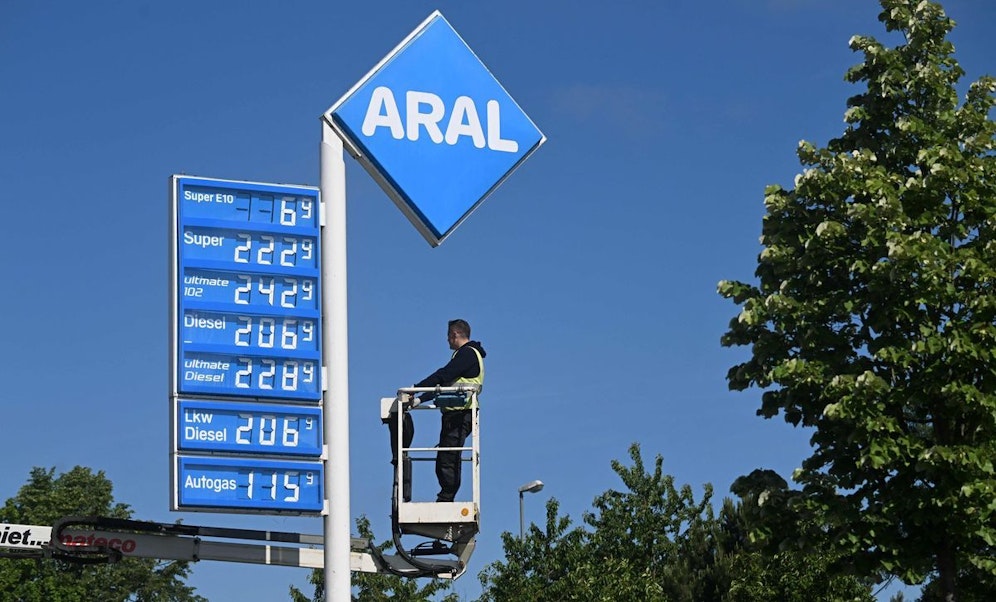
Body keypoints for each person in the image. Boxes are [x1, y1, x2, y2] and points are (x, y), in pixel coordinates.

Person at [414, 319, 486, 502]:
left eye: (448, 336)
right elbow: (446, 385)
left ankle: (446, 498)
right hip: (455, 414)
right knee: (446, 456)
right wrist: (419, 398)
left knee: (449, 456)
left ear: (454, 335)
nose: (447, 341)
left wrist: (416, 387)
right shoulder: (464, 356)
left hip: (461, 414)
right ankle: (446, 495)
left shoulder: (467, 354)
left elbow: (443, 375)